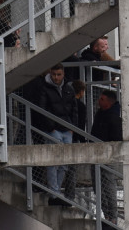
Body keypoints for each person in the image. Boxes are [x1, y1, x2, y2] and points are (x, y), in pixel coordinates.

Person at [37, 64, 78, 203]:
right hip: (54, 130)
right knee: (53, 162)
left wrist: (72, 127)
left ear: (63, 74)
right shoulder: (45, 88)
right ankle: (54, 194)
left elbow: (74, 109)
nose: (56, 77)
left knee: (63, 164)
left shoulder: (68, 88)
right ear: (50, 73)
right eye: (54, 74)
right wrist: (51, 127)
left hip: (67, 130)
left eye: (59, 74)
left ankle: (56, 193)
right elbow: (42, 110)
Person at [91, 89, 122, 222]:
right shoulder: (100, 114)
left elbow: (116, 137)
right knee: (97, 186)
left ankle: (113, 218)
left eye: (102, 99)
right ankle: (108, 215)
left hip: (108, 155)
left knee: (108, 186)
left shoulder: (114, 117)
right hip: (96, 153)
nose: (99, 100)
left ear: (109, 102)